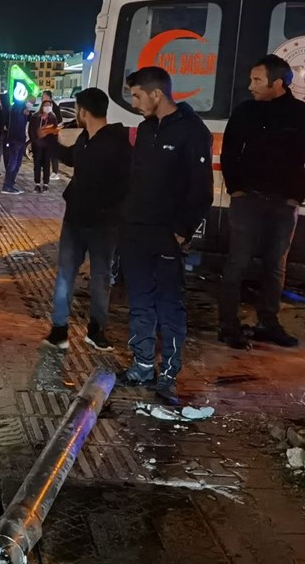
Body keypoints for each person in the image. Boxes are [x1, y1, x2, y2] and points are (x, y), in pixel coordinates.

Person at [120, 66, 214, 405]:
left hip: (166, 235)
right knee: (139, 302)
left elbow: (201, 190)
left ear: (156, 94)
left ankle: (169, 375)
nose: (134, 103)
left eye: (137, 96)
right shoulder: (146, 129)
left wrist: (181, 232)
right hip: (135, 232)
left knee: (169, 305)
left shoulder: (193, 131)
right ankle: (142, 366)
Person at [218, 54, 305, 349]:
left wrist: (295, 197)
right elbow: (229, 152)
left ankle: (268, 323)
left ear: (277, 83)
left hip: (283, 205)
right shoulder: (245, 111)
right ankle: (228, 326)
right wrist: (236, 189)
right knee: (236, 263)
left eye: (257, 80)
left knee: (275, 265)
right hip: (247, 200)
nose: (250, 86)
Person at [43, 88, 132, 351]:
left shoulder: (117, 145)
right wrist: (50, 141)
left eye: (77, 109)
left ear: (84, 111)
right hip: (75, 220)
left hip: (104, 224)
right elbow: (72, 158)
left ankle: (96, 330)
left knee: (100, 279)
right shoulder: (85, 138)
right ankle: (59, 331)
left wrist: (112, 212)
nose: (76, 114)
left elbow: (126, 186)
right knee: (65, 275)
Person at [2, 94, 31, 195]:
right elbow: (18, 112)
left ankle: (11, 183)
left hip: (20, 139)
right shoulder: (17, 108)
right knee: (13, 163)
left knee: (17, 164)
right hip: (15, 139)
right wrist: (24, 110)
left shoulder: (19, 108)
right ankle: (7, 185)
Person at [28, 99, 59, 193]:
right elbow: (31, 130)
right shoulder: (35, 116)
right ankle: (37, 183)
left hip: (47, 145)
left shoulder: (52, 117)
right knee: (37, 164)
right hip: (37, 145)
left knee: (46, 164)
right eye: (46, 105)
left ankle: (46, 184)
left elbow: (55, 132)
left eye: (49, 105)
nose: (47, 107)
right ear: (42, 106)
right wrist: (35, 140)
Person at [42, 90, 64, 180]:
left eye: (44, 96)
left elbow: (59, 119)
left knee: (53, 153)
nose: (42, 98)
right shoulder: (46, 105)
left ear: (48, 97)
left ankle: (55, 172)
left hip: (52, 133)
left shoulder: (53, 106)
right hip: (48, 133)